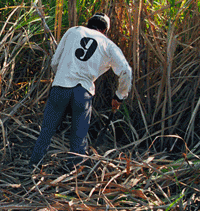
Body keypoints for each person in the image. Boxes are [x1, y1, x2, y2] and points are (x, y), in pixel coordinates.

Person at [28, 13, 132, 167]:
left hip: (60, 88)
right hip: (82, 93)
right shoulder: (107, 44)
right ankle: (73, 176)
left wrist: (63, 76)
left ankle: (33, 167)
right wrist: (119, 96)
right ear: (105, 30)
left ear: (89, 23)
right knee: (78, 137)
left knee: (46, 132)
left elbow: (55, 62)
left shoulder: (73, 31)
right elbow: (126, 71)